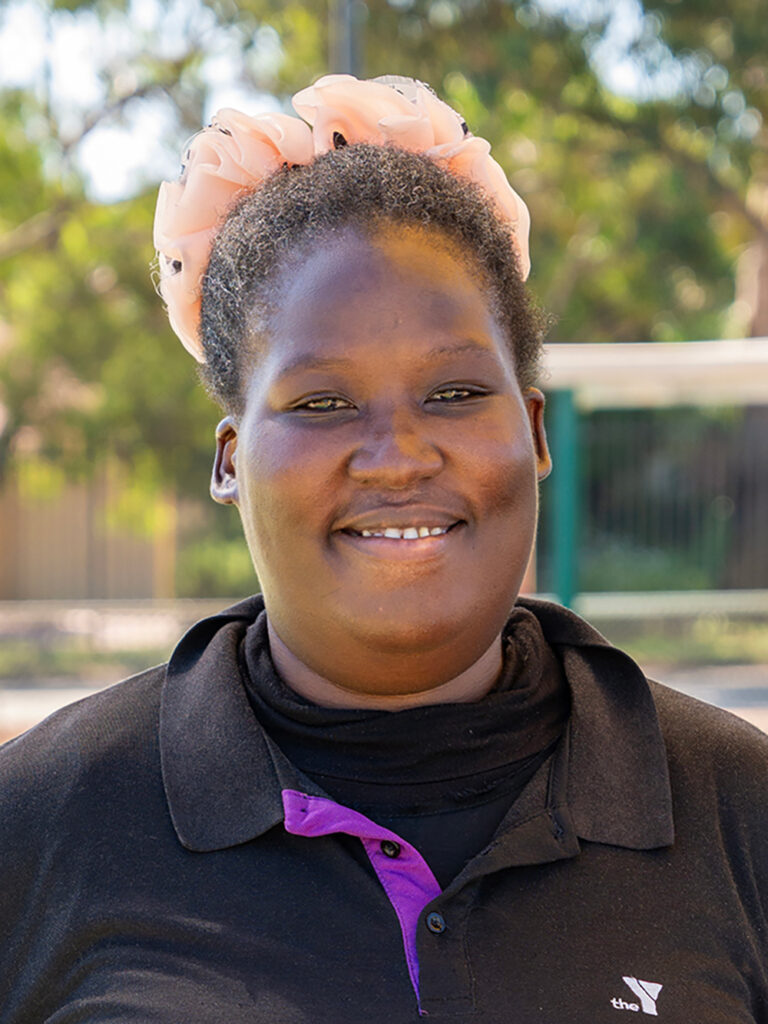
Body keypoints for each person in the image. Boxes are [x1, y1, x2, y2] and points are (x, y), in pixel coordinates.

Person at [1, 74, 767, 1024]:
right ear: (233, 461)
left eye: (453, 393)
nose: (399, 457)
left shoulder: (739, 809)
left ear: (533, 432)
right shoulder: (40, 822)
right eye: (322, 403)